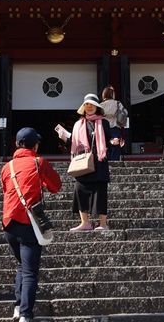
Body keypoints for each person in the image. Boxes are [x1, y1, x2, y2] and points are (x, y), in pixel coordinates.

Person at [0, 127, 62, 322]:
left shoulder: (7, 167)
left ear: (17, 144)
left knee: (21, 265)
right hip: (28, 223)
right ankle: (26, 314)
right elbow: (56, 186)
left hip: (9, 223)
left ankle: (18, 307)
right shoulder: (38, 162)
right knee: (29, 272)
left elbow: (5, 189)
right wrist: (41, 183)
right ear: (35, 145)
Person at [66, 93, 123, 233]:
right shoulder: (78, 124)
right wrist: (65, 138)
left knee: (101, 192)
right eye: (86, 105)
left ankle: (103, 223)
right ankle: (85, 222)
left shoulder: (103, 122)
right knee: (80, 189)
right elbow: (74, 143)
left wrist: (114, 141)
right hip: (83, 161)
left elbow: (109, 138)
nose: (89, 107)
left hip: (99, 161)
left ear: (97, 107)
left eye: (92, 105)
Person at [99, 85, 128, 162]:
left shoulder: (100, 105)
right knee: (115, 146)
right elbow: (125, 113)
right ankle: (115, 163)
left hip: (103, 128)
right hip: (115, 127)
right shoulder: (117, 103)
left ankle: (106, 162)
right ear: (112, 94)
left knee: (105, 145)